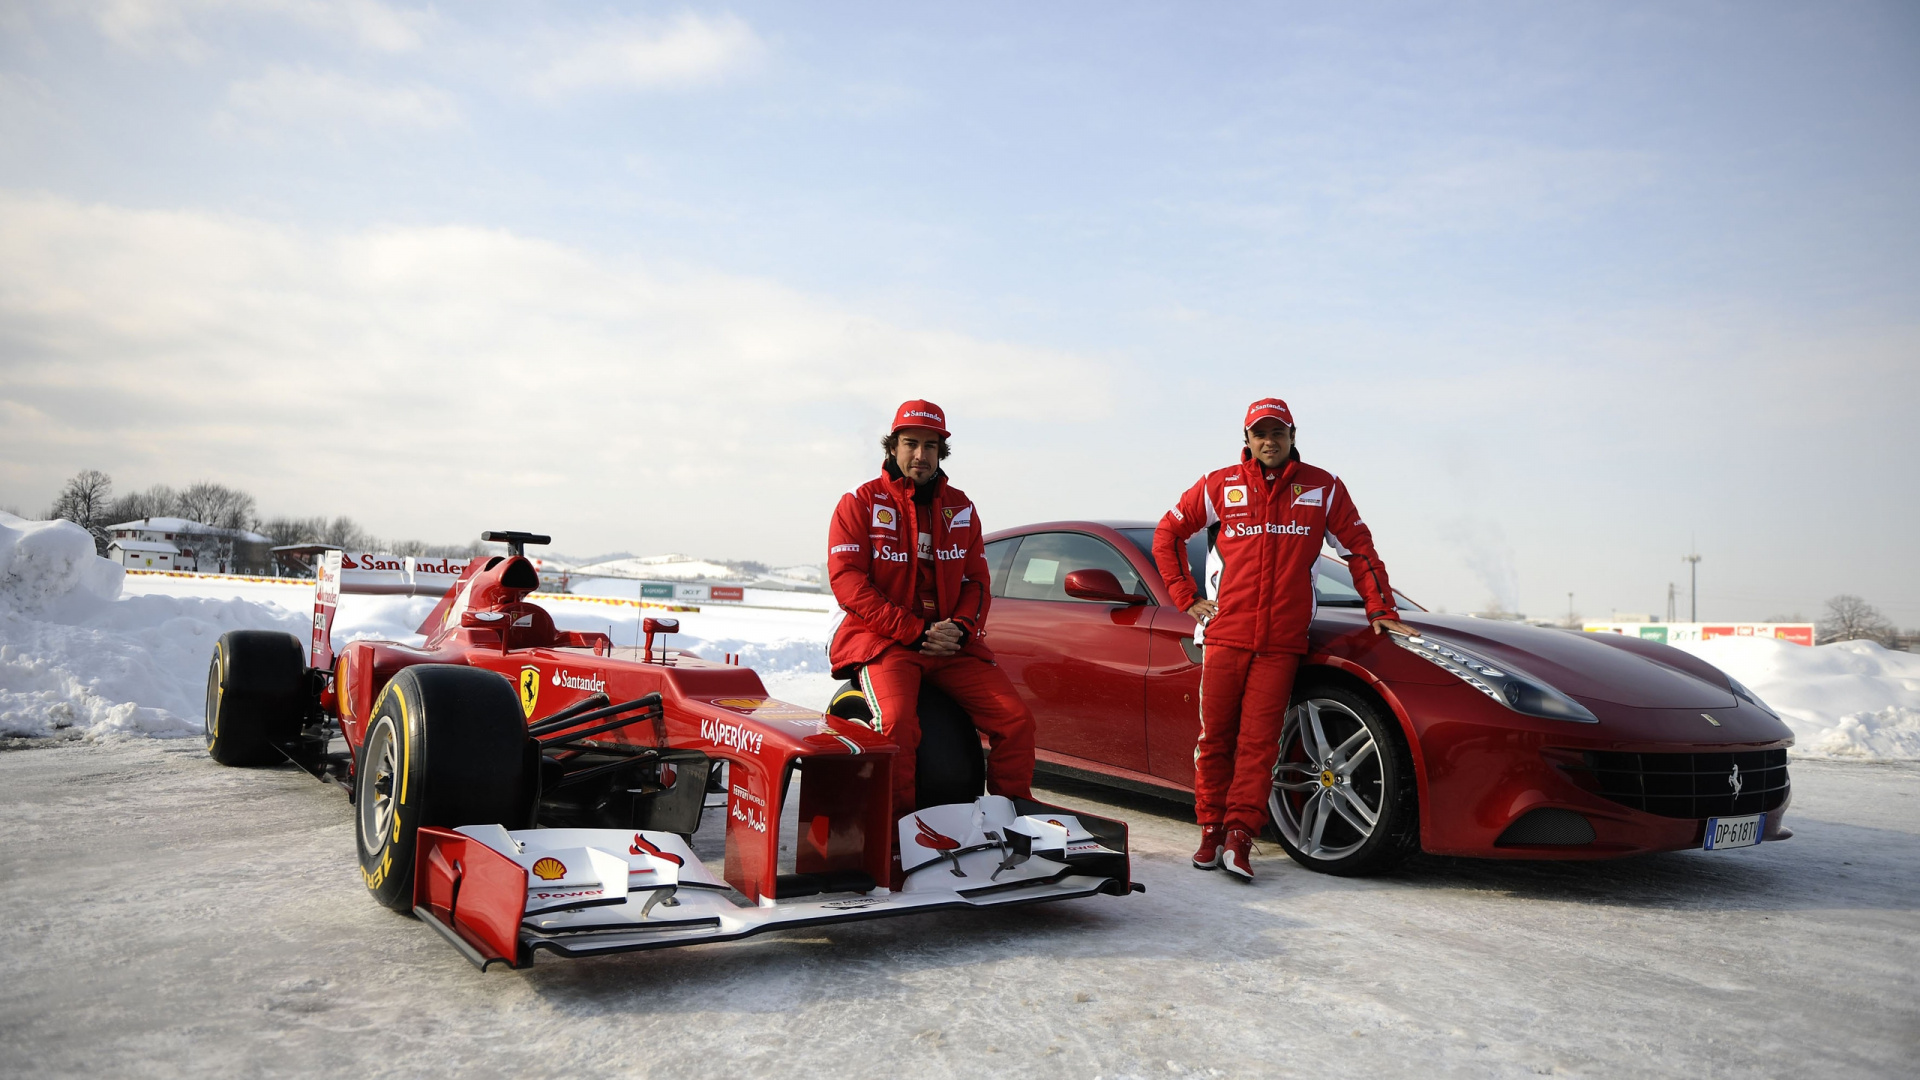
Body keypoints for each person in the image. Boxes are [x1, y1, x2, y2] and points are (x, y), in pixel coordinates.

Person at [1152, 398, 1415, 882]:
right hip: (1226, 634)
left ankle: (1239, 837)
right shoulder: (1219, 484)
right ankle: (1210, 831)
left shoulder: (1324, 487)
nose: (1269, 441)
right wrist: (1187, 598)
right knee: (1214, 740)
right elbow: (1167, 534)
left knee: (1260, 743)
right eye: (1260, 433)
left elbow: (1359, 549)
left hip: (1282, 641)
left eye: (1278, 433)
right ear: (1247, 440)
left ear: (1293, 436)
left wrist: (1381, 610)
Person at [827, 399, 1037, 825]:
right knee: (899, 725)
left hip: (949, 645)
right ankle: (899, 833)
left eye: (931, 446)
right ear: (892, 447)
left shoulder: (961, 508)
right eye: (911, 444)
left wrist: (960, 628)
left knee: (1016, 721)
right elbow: (848, 582)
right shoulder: (859, 503)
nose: (921, 455)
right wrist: (913, 629)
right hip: (886, 641)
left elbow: (977, 581)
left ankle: (1011, 822)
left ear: (942, 452)